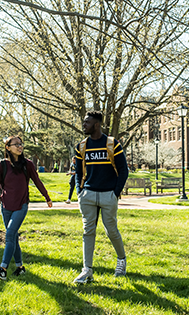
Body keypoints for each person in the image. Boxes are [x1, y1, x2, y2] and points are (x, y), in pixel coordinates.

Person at [73, 111, 128, 284]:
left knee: (111, 230)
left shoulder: (112, 144)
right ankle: (87, 270)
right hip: (88, 194)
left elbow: (123, 170)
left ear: (96, 125)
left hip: (108, 195)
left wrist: (115, 193)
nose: (84, 125)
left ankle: (121, 260)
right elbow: (78, 172)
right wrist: (79, 191)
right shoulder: (81, 146)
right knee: (88, 231)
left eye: (87, 122)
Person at [0, 136, 53, 281]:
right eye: (16, 144)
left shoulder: (27, 164)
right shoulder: (1, 166)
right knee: (13, 237)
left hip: (21, 205)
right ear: (8, 148)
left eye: (20, 144)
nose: (20, 147)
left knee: (10, 234)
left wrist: (47, 197)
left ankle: (3, 269)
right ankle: (20, 267)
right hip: (5, 206)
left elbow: (37, 181)